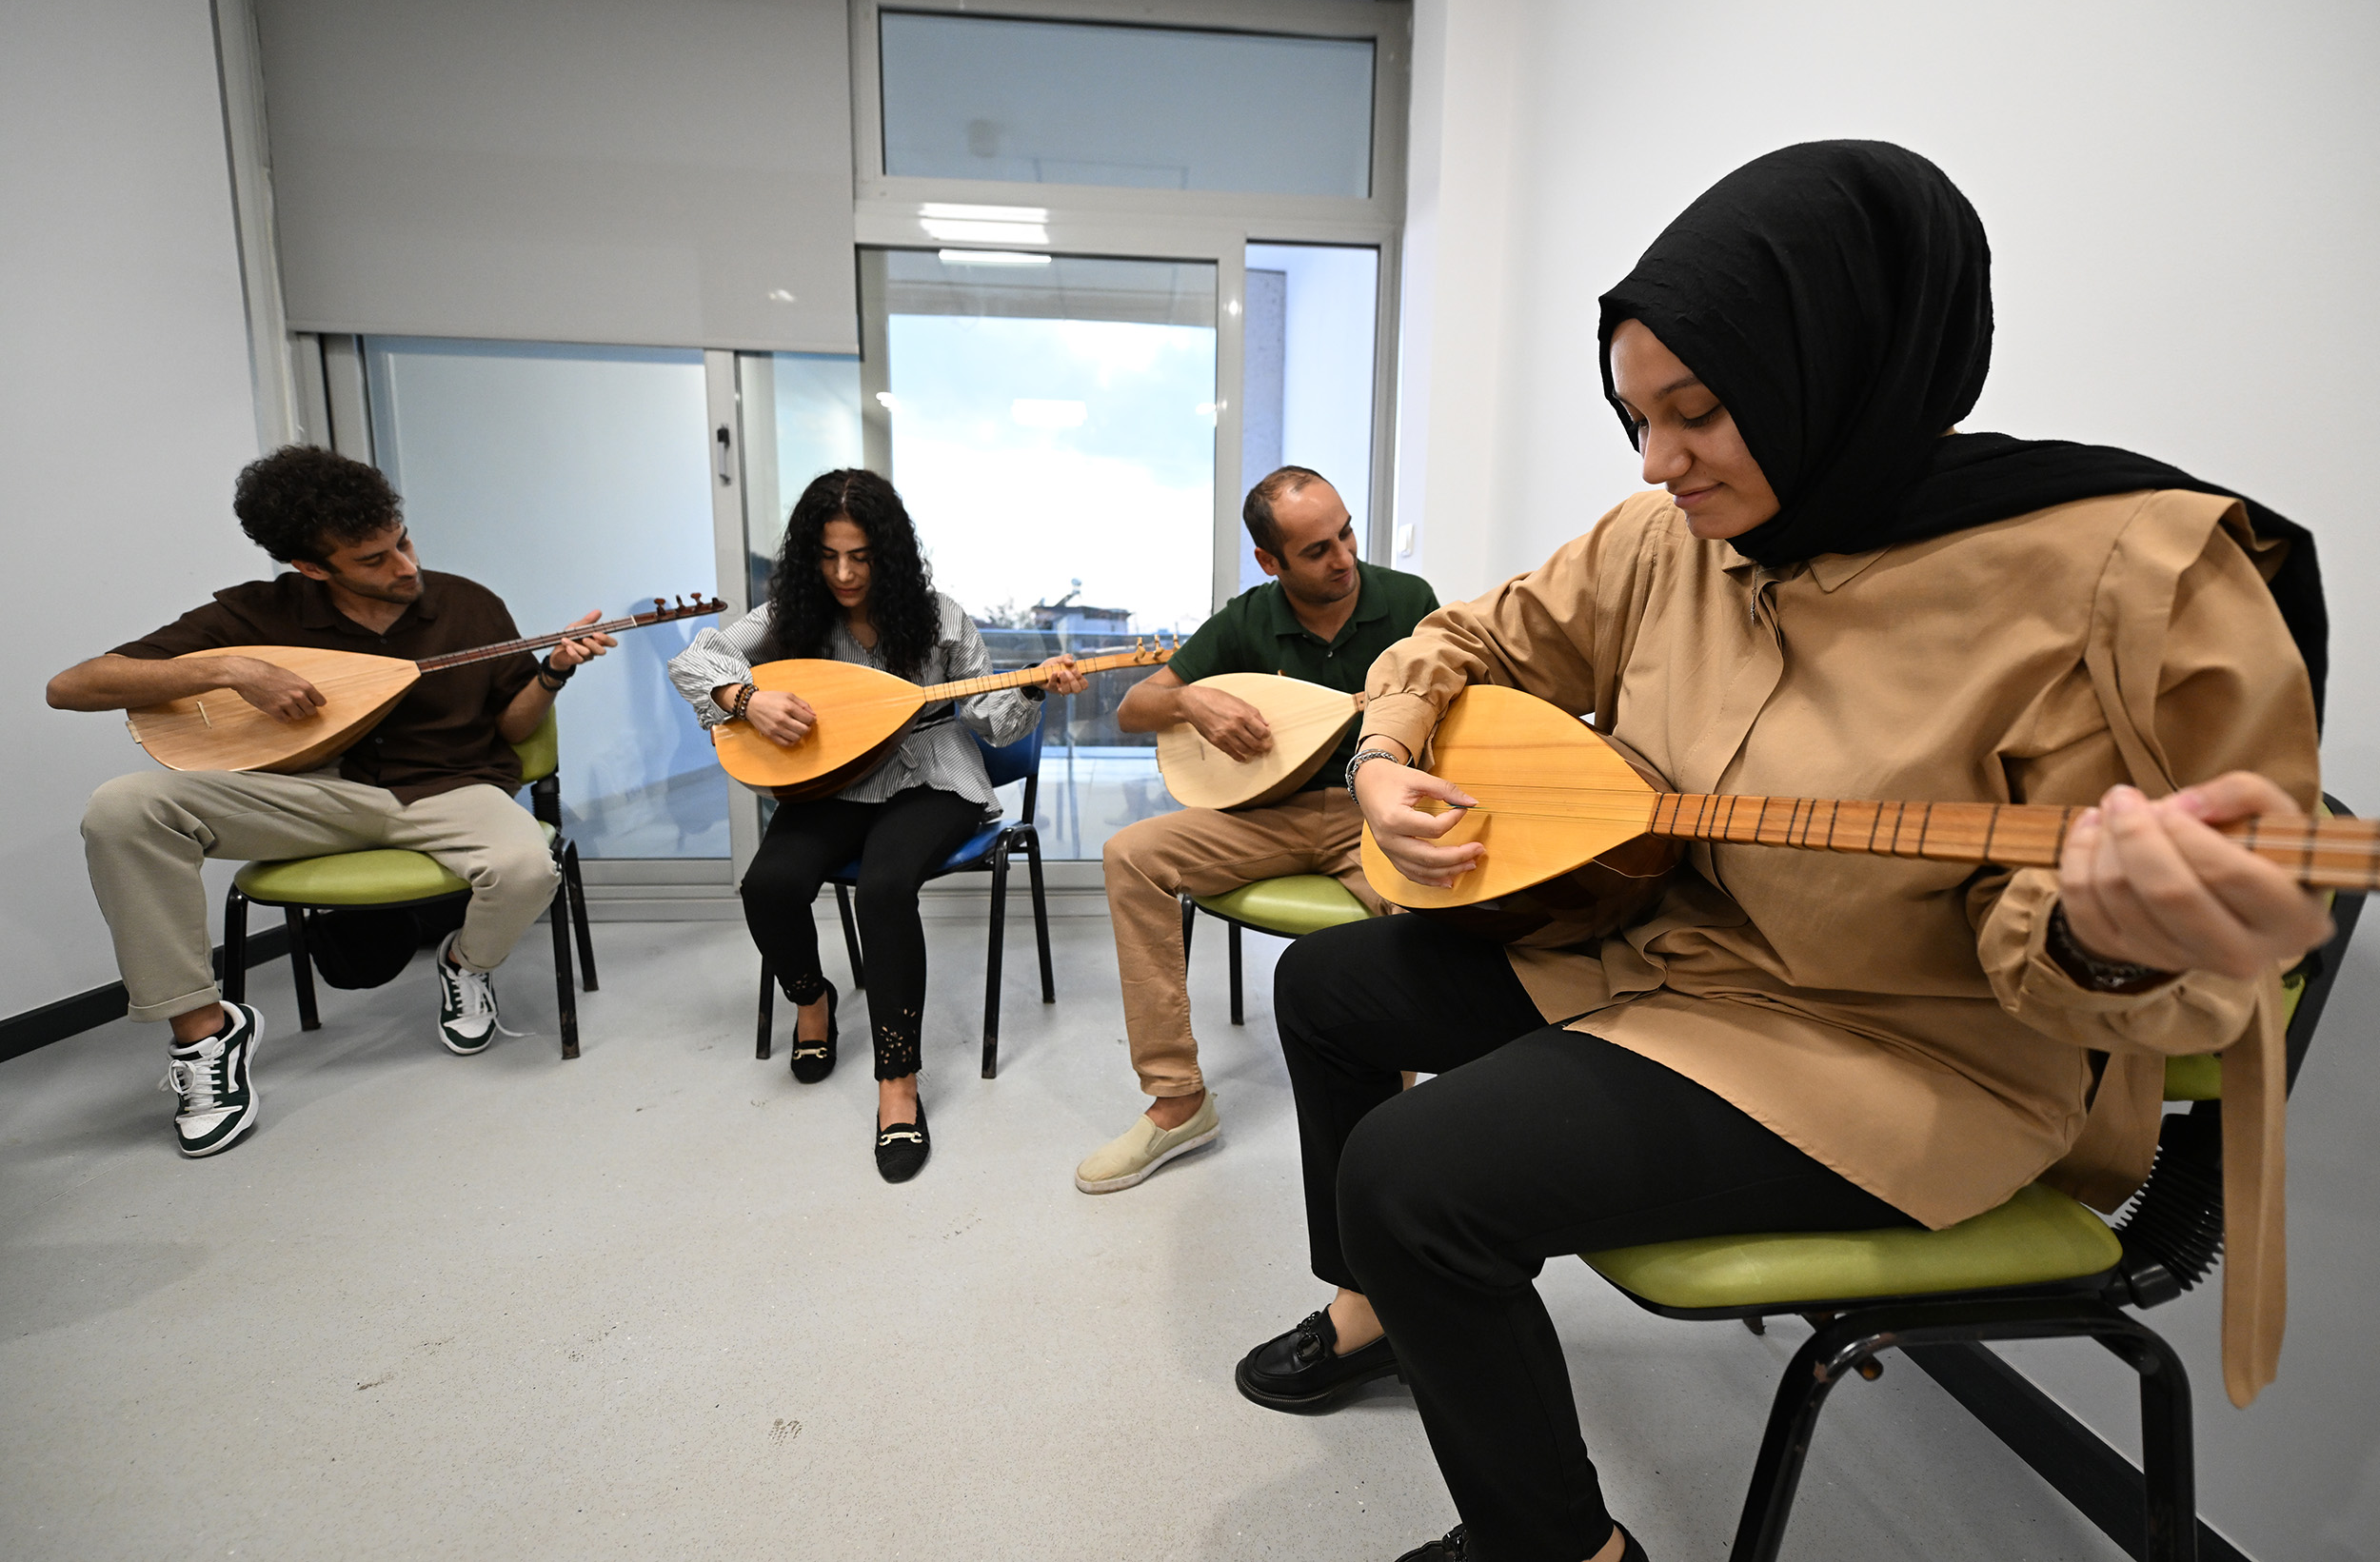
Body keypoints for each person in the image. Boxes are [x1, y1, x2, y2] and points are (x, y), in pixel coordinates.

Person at [1233, 142, 2332, 1562]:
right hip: (1670, 955)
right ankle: (1380, 1305)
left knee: (1415, 1172)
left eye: (1696, 412)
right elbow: (1458, 638)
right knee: (1330, 991)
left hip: (1894, 1053)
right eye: (1635, 415)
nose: (1657, 459)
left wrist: (2103, 929)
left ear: (1843, 364)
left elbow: (2112, 976)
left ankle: (1562, 1547)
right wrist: (1384, 757)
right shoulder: (1665, 538)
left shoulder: (2111, 584)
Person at [49, 445, 615, 1159]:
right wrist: (234, 666)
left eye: (402, 541)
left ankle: (466, 965)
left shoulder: (467, 603)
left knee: (529, 867)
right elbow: (72, 685)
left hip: (449, 787)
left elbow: (511, 728)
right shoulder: (256, 613)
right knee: (122, 808)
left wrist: (555, 671)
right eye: (373, 560)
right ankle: (204, 1034)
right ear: (312, 568)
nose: (404, 566)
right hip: (311, 794)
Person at [670, 468, 1085, 1183]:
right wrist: (743, 699)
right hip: (831, 779)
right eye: (829, 556)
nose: (843, 572)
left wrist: (1028, 683)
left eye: (859, 556)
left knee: (886, 887)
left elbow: (989, 718)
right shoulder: (790, 613)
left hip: (931, 773)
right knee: (768, 884)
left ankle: (898, 1081)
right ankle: (813, 999)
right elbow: (692, 657)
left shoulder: (941, 616)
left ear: (887, 551)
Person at [1073, 467, 1438, 1193]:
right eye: (1316, 550)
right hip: (1271, 813)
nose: (1343, 558)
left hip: (1375, 810)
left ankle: (1395, 1113)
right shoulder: (1247, 619)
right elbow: (1136, 706)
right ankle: (1179, 1099)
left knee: (1424, 905)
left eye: (1346, 533)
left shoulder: (1408, 601)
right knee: (1130, 854)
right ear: (1271, 562)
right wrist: (1195, 703)